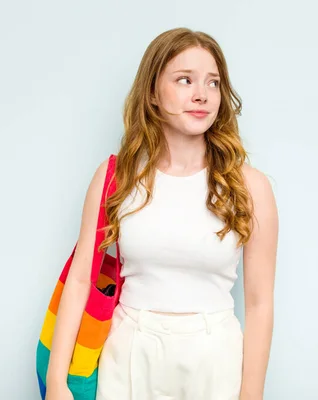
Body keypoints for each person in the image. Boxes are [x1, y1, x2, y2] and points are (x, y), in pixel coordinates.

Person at [45, 27, 278, 400]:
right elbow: (79, 282)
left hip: (214, 360)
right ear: (153, 92)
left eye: (213, 82)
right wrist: (57, 382)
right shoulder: (115, 178)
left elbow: (260, 303)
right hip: (128, 356)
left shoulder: (251, 188)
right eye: (184, 80)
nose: (202, 94)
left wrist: (252, 395)